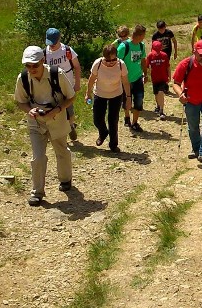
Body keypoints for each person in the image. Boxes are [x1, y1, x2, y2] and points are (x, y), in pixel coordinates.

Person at [14, 46, 76, 206]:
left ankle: (65, 179)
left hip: (57, 118)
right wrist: (30, 110)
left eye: (35, 65)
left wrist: (56, 110)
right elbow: (20, 101)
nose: (31, 69)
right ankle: (37, 192)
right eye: (28, 65)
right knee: (38, 157)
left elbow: (71, 97)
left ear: (43, 61)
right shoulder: (23, 78)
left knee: (61, 151)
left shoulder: (57, 74)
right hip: (36, 122)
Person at [86, 44, 131, 153]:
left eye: (113, 60)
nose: (111, 62)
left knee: (113, 120)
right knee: (97, 119)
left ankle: (113, 144)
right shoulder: (98, 64)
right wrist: (88, 93)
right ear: (103, 57)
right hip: (100, 93)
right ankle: (103, 132)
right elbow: (91, 79)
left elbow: (125, 82)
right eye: (108, 60)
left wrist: (128, 97)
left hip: (116, 94)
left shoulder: (121, 65)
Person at [44, 28, 82, 141]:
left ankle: (70, 125)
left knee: (69, 108)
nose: (51, 46)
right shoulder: (44, 53)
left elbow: (77, 66)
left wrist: (77, 83)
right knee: (53, 108)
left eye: (54, 43)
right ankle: (56, 132)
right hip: (52, 87)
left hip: (67, 85)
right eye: (49, 43)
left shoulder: (67, 50)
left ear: (59, 39)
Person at [117, 24, 146, 132]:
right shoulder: (124, 46)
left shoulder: (141, 46)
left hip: (138, 77)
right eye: (143, 36)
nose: (143, 38)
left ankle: (134, 123)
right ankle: (127, 116)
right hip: (125, 80)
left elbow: (143, 60)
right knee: (126, 100)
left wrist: (145, 74)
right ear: (138, 35)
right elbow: (117, 62)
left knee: (139, 100)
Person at [145, 40, 171, 120]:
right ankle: (158, 106)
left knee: (160, 92)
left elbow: (168, 67)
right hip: (154, 78)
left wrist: (169, 76)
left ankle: (161, 111)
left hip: (163, 78)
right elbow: (146, 66)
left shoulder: (164, 55)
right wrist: (145, 75)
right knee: (156, 94)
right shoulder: (150, 56)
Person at [114, 25, 132, 123]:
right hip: (121, 72)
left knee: (129, 93)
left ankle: (128, 107)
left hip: (131, 72)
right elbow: (110, 48)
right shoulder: (117, 42)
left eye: (124, 35)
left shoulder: (130, 42)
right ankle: (127, 116)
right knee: (125, 94)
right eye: (120, 35)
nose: (122, 37)